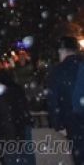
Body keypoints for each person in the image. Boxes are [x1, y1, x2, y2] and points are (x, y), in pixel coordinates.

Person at [0, 68, 35, 165]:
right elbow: (24, 107)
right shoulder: (16, 89)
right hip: (19, 126)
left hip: (6, 129)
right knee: (24, 154)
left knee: (11, 156)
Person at [47, 36, 84, 165]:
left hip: (72, 120)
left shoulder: (58, 71)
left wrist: (58, 124)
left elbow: (53, 100)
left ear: (62, 51)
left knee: (80, 155)